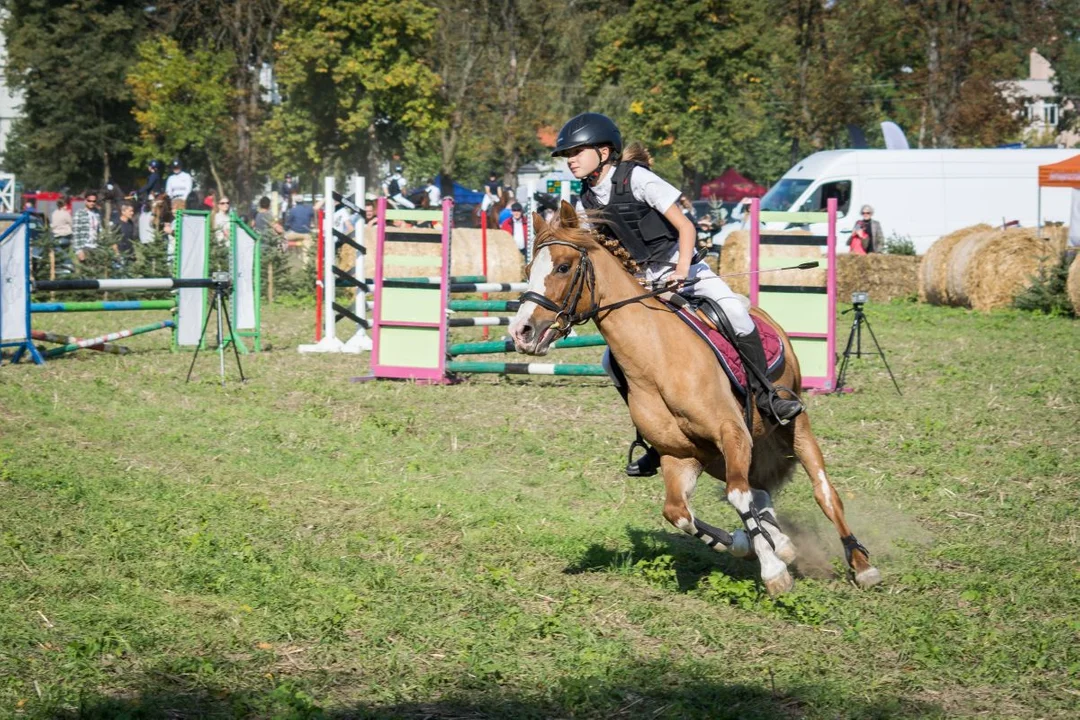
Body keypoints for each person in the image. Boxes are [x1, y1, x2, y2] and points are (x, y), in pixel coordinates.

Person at [551, 112, 803, 477]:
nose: (570, 159)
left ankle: (768, 394)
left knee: (734, 313)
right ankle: (656, 438)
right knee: (612, 362)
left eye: (576, 151)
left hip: (686, 270)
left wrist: (682, 271)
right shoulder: (585, 197)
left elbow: (685, 227)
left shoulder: (637, 178)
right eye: (567, 154)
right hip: (644, 284)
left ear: (604, 152)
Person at [72, 191, 103, 262]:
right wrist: (78, 250)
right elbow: (76, 233)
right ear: (85, 200)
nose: (92, 203)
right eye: (89, 201)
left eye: (94, 201)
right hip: (85, 246)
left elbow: (99, 229)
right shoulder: (79, 213)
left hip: (96, 246)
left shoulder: (97, 213)